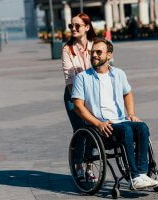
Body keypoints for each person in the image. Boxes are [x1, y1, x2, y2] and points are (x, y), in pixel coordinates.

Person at [72, 38, 158, 189]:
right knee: (126, 130)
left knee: (142, 127)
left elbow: (128, 93)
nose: (95, 55)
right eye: (93, 52)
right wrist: (98, 123)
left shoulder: (119, 74)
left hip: (120, 120)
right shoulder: (82, 77)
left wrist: (131, 113)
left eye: (99, 52)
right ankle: (134, 175)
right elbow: (78, 106)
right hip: (99, 126)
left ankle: (142, 173)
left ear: (109, 55)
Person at [61, 13, 97, 181]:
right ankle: (78, 165)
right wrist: (78, 100)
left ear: (87, 28)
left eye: (77, 26)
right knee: (80, 130)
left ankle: (89, 166)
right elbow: (69, 79)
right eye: (71, 26)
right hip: (73, 96)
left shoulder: (96, 45)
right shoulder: (67, 49)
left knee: (94, 130)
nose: (73, 29)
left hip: (94, 95)